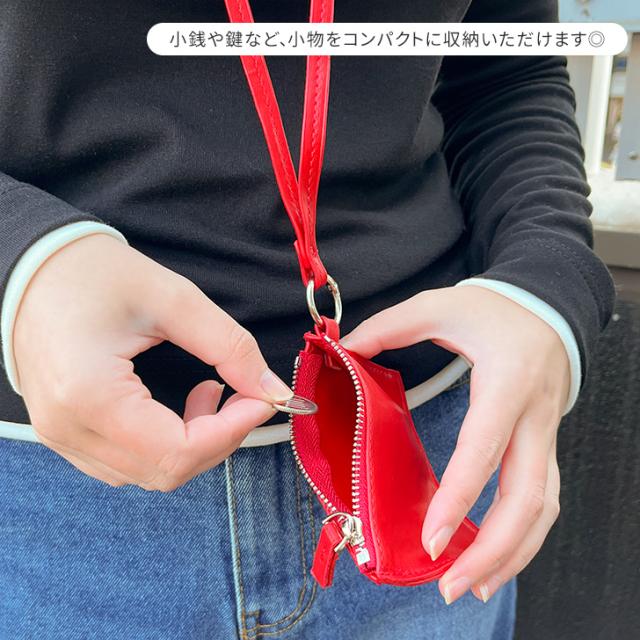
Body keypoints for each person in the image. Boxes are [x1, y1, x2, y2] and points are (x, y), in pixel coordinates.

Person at [0, 0, 615, 639]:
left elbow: (504, 70)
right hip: (53, 492)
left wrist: (545, 280)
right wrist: (23, 254)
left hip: (427, 458)